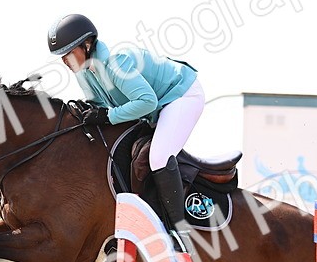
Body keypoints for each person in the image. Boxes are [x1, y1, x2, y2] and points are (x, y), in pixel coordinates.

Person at [48, 13, 203, 235]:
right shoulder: (84, 73)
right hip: (156, 107)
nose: (64, 61)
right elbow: (99, 105)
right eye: (61, 56)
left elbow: (147, 102)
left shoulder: (116, 63)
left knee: (158, 157)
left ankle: (181, 232)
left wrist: (107, 116)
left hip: (181, 96)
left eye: (69, 53)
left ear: (87, 44)